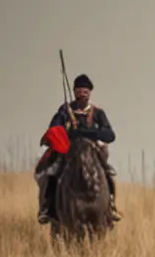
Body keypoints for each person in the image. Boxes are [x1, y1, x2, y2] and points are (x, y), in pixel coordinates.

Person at [36, 74, 121, 223]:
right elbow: (54, 128)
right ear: (74, 92)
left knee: (108, 173)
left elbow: (110, 134)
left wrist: (89, 133)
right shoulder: (65, 111)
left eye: (85, 90)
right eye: (79, 90)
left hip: (92, 150)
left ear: (90, 93)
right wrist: (67, 133)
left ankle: (111, 206)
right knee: (52, 173)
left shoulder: (98, 113)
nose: (82, 93)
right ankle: (47, 208)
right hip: (69, 151)